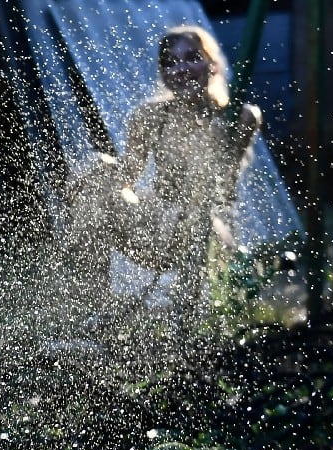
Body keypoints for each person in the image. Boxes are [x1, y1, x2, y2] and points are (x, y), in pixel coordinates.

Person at [70, 24, 263, 326]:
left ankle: (185, 327)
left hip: (210, 230)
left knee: (199, 215)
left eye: (191, 58)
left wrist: (213, 135)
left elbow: (223, 186)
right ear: (162, 75)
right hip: (158, 227)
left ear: (211, 64)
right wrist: (96, 172)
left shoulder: (239, 117)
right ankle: (95, 310)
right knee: (98, 172)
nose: (181, 69)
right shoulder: (149, 117)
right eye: (170, 63)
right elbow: (126, 179)